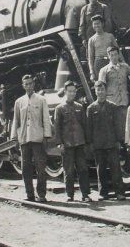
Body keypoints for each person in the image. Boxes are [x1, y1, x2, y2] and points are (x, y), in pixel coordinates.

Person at [11, 74, 52, 202]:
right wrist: (14, 138)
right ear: (23, 86)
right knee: (25, 168)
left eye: (30, 83)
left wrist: (46, 135)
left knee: (40, 167)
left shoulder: (41, 100)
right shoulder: (19, 102)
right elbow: (15, 120)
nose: (29, 86)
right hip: (24, 138)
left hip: (38, 138)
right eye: (26, 84)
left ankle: (41, 194)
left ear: (34, 84)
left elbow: (46, 118)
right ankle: (29, 194)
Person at [86, 81, 126, 201]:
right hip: (98, 144)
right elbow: (89, 128)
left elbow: (117, 125)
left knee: (116, 169)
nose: (100, 92)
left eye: (102, 89)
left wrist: (119, 140)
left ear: (106, 91)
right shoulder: (91, 108)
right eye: (98, 90)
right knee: (101, 170)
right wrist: (90, 143)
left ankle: (119, 192)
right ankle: (103, 193)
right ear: (95, 92)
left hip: (112, 143)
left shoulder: (113, 107)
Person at [54, 81, 91, 203]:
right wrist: (59, 143)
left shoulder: (80, 107)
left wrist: (87, 142)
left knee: (83, 169)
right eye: (69, 91)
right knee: (68, 171)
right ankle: (70, 195)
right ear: (65, 92)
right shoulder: (59, 108)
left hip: (79, 143)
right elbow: (57, 128)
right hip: (67, 144)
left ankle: (85, 194)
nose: (72, 93)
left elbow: (85, 125)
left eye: (74, 91)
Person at [99, 45, 130, 142]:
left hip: (123, 101)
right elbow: (101, 87)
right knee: (112, 127)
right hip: (111, 103)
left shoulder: (124, 67)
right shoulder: (104, 70)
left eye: (116, 55)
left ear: (118, 55)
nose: (114, 57)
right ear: (108, 56)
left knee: (125, 127)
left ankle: (126, 147)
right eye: (111, 55)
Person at [88, 15, 120, 82]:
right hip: (98, 63)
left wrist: (123, 63)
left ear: (102, 24)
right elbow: (90, 57)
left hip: (110, 62)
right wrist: (92, 72)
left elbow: (118, 51)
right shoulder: (91, 39)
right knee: (101, 84)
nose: (96, 26)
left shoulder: (110, 36)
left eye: (98, 23)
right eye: (94, 24)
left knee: (112, 83)